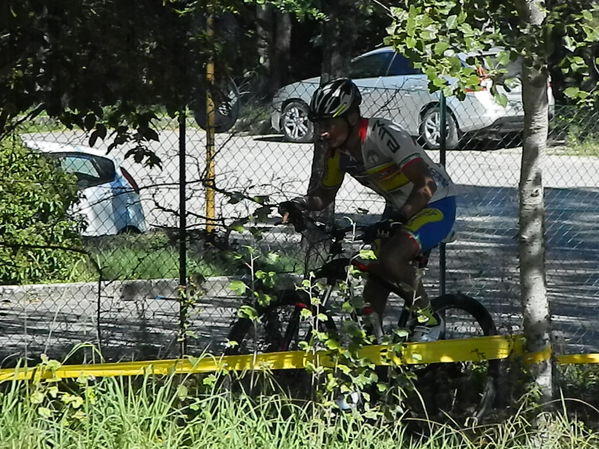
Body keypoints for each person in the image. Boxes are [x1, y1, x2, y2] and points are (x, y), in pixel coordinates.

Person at [278, 78, 457, 341]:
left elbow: (426, 183)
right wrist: (300, 205)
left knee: (392, 258)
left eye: (328, 124)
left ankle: (429, 318)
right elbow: (325, 195)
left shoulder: (382, 134)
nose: (322, 132)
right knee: (375, 282)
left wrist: (399, 217)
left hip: (435, 202)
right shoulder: (336, 152)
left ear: (351, 118)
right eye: (319, 125)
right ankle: (373, 350)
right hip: (401, 209)